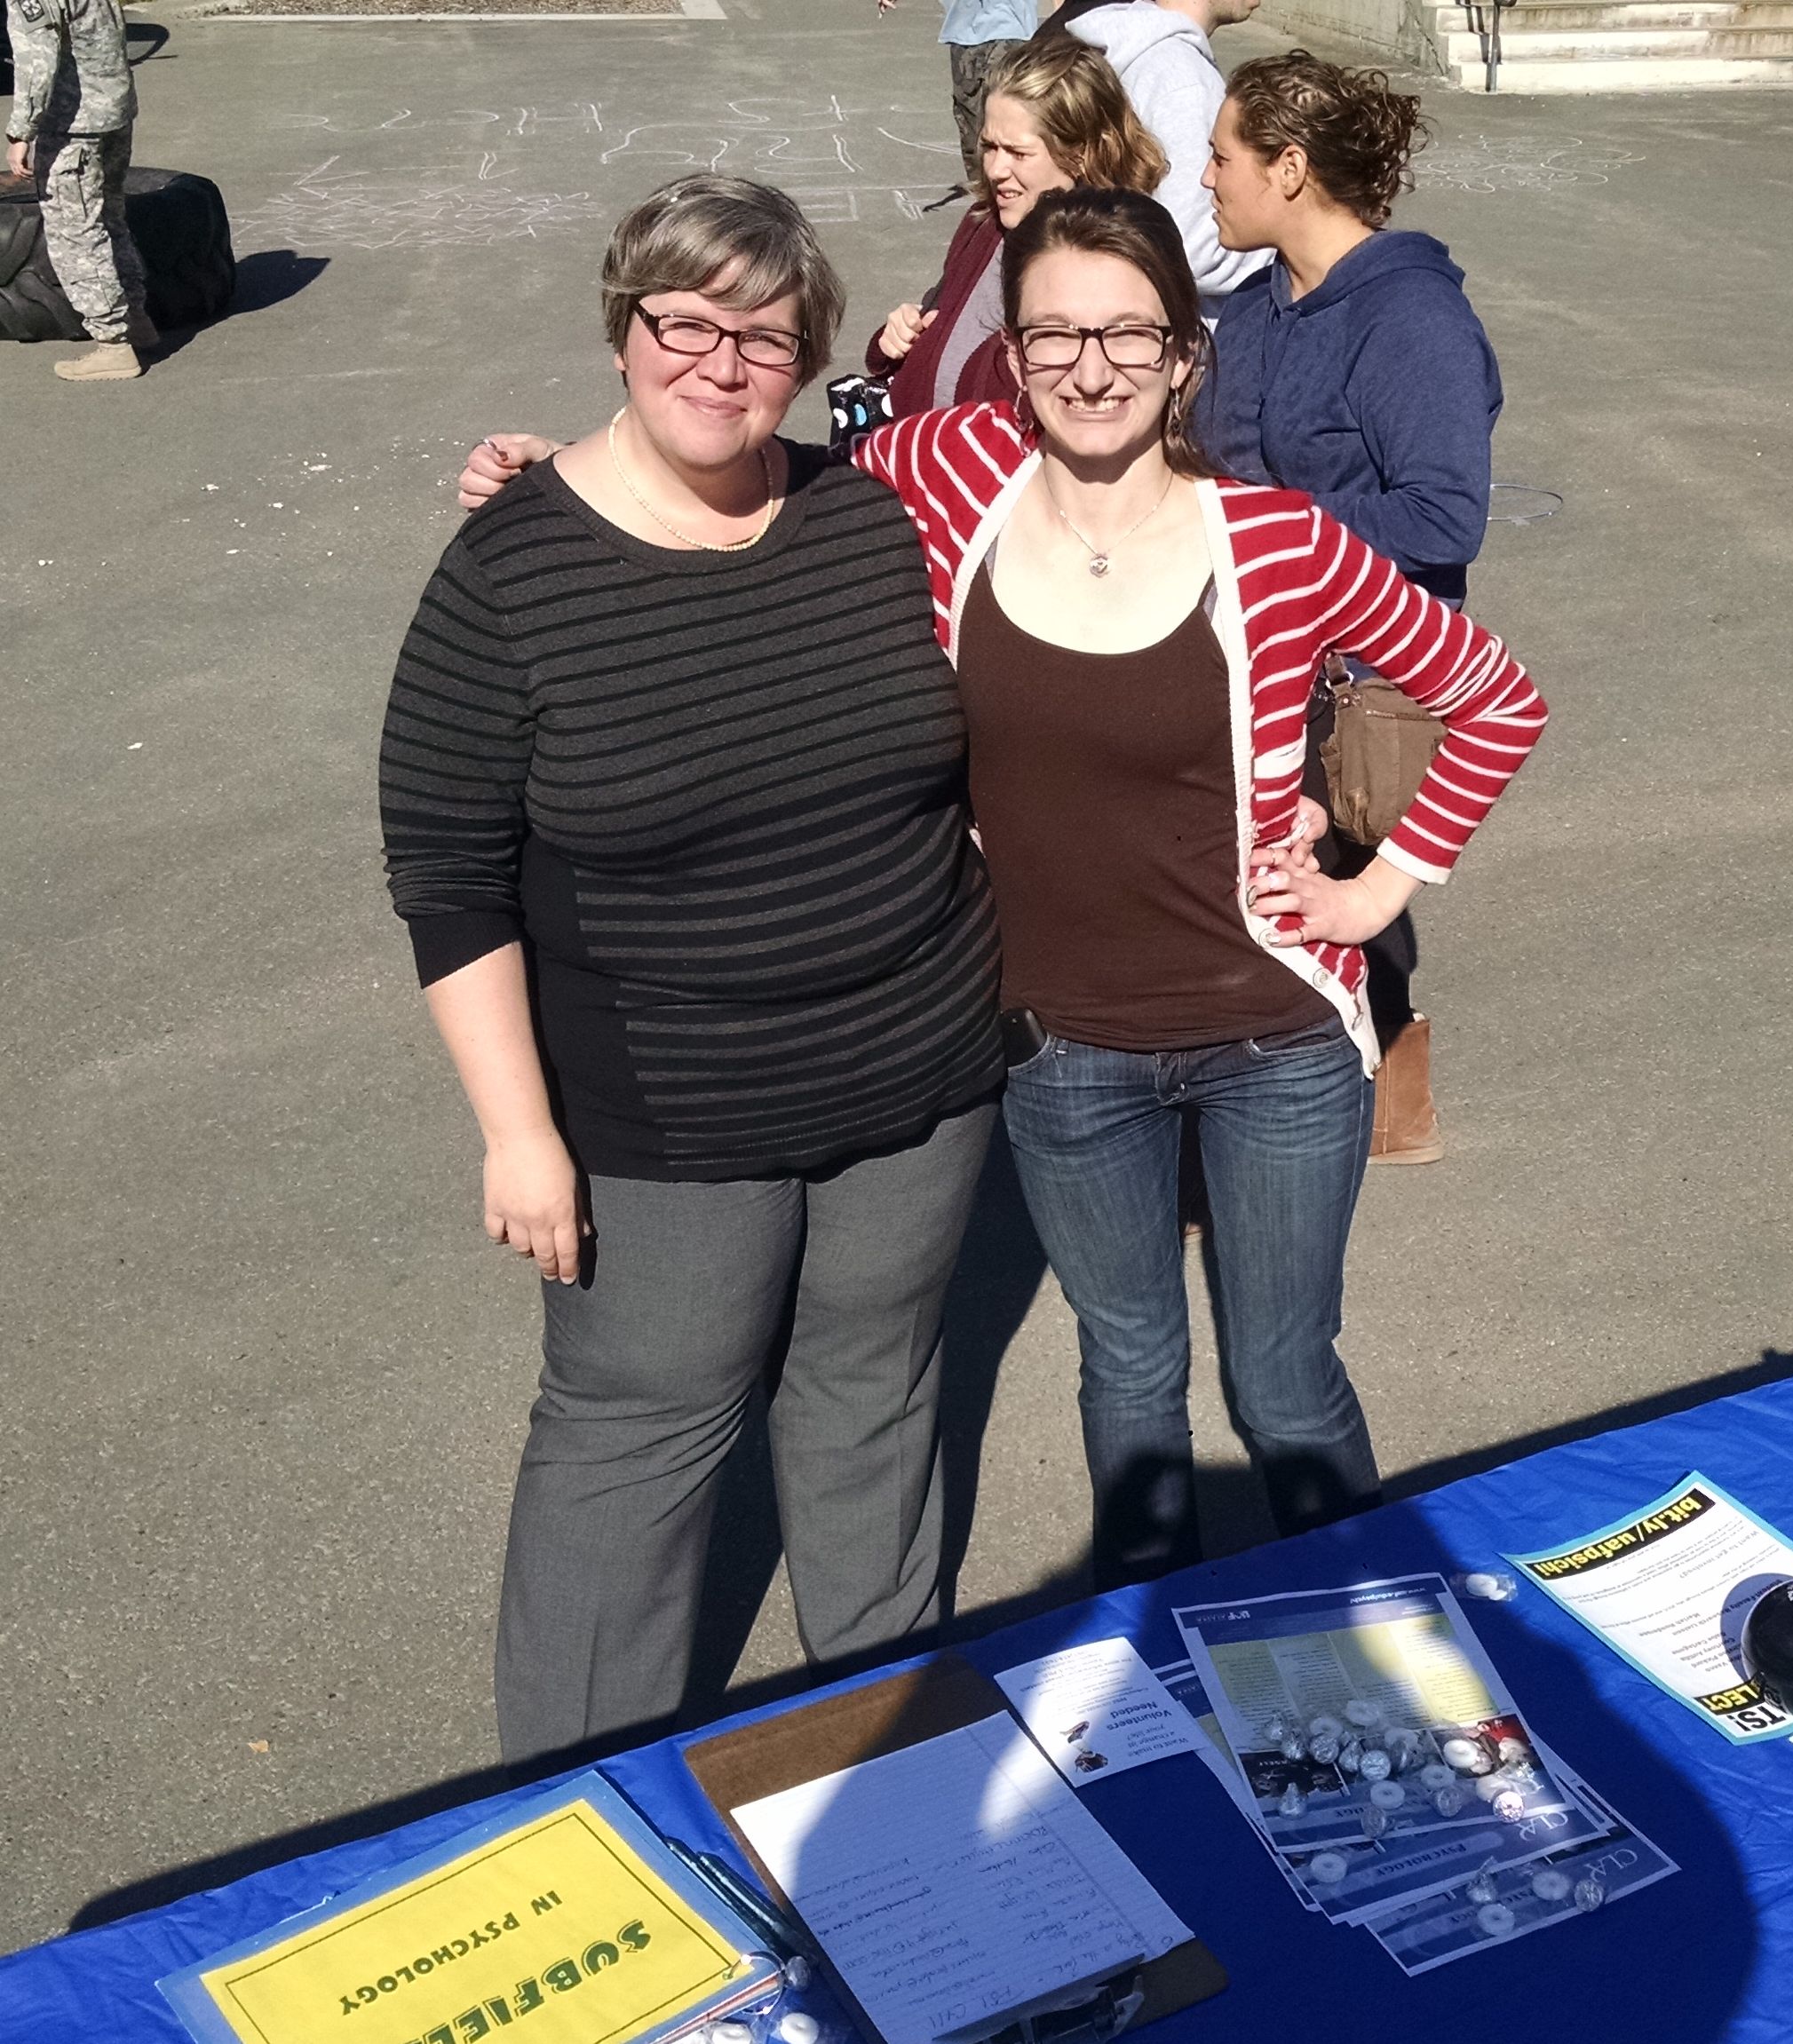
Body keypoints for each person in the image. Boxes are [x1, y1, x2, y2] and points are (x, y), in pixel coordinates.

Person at [453, 189, 1546, 1591]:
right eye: (1053, 337)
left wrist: (1381, 885)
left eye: (1127, 335)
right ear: (1012, 356)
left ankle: (1369, 1630)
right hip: (1057, 1050)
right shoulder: (951, 474)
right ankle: (1159, 1654)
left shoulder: (1275, 539)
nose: (1091, 369)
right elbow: (744, 457)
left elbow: (1492, 696)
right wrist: (568, 473)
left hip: (1273, 1039)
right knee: (1128, 1365)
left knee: (1281, 1379)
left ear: (1182, 354)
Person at [381, 175, 1003, 1765]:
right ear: (623, 325)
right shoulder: (512, 571)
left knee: (872, 1395)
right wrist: (518, 1132)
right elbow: (446, 872)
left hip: (918, 1077)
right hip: (666, 1115)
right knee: (639, 1435)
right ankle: (582, 1788)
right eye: (685, 325)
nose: (722, 366)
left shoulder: (866, 517)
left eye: (765, 338)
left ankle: (887, 1730)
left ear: (809, 356)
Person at [1201, 52, 1504, 1163]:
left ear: (1287, 169)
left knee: (1318, 889)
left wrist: (1270, 532)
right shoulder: (1254, 307)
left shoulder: (1409, 317)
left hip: (1354, 676)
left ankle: (1376, 1095)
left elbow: (1442, 515)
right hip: (1249, 657)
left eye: (1221, 157)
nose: (1204, 178)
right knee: (1258, 890)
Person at [866, 35, 1164, 416]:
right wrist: (898, 338)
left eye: (1018, 153)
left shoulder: (1107, 264)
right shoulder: (986, 225)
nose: (995, 170)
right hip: (926, 442)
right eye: (990, 147)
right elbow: (943, 339)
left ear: (1082, 154)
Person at [1035, 0, 1269, 321]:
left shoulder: (1120, 46)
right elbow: (1195, 251)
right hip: (1176, 326)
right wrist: (1288, 244)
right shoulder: (1181, 78)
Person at [4, 0, 155, 381]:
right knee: (109, 218)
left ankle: (113, 343)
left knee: (76, 233)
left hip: (74, 126)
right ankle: (136, 320)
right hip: (113, 113)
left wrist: (21, 131)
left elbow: (37, 60)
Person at [879, 0, 1042, 187]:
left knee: (1007, 115)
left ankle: (1009, 186)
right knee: (978, 119)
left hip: (1003, 31)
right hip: (973, 32)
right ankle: (987, 190)